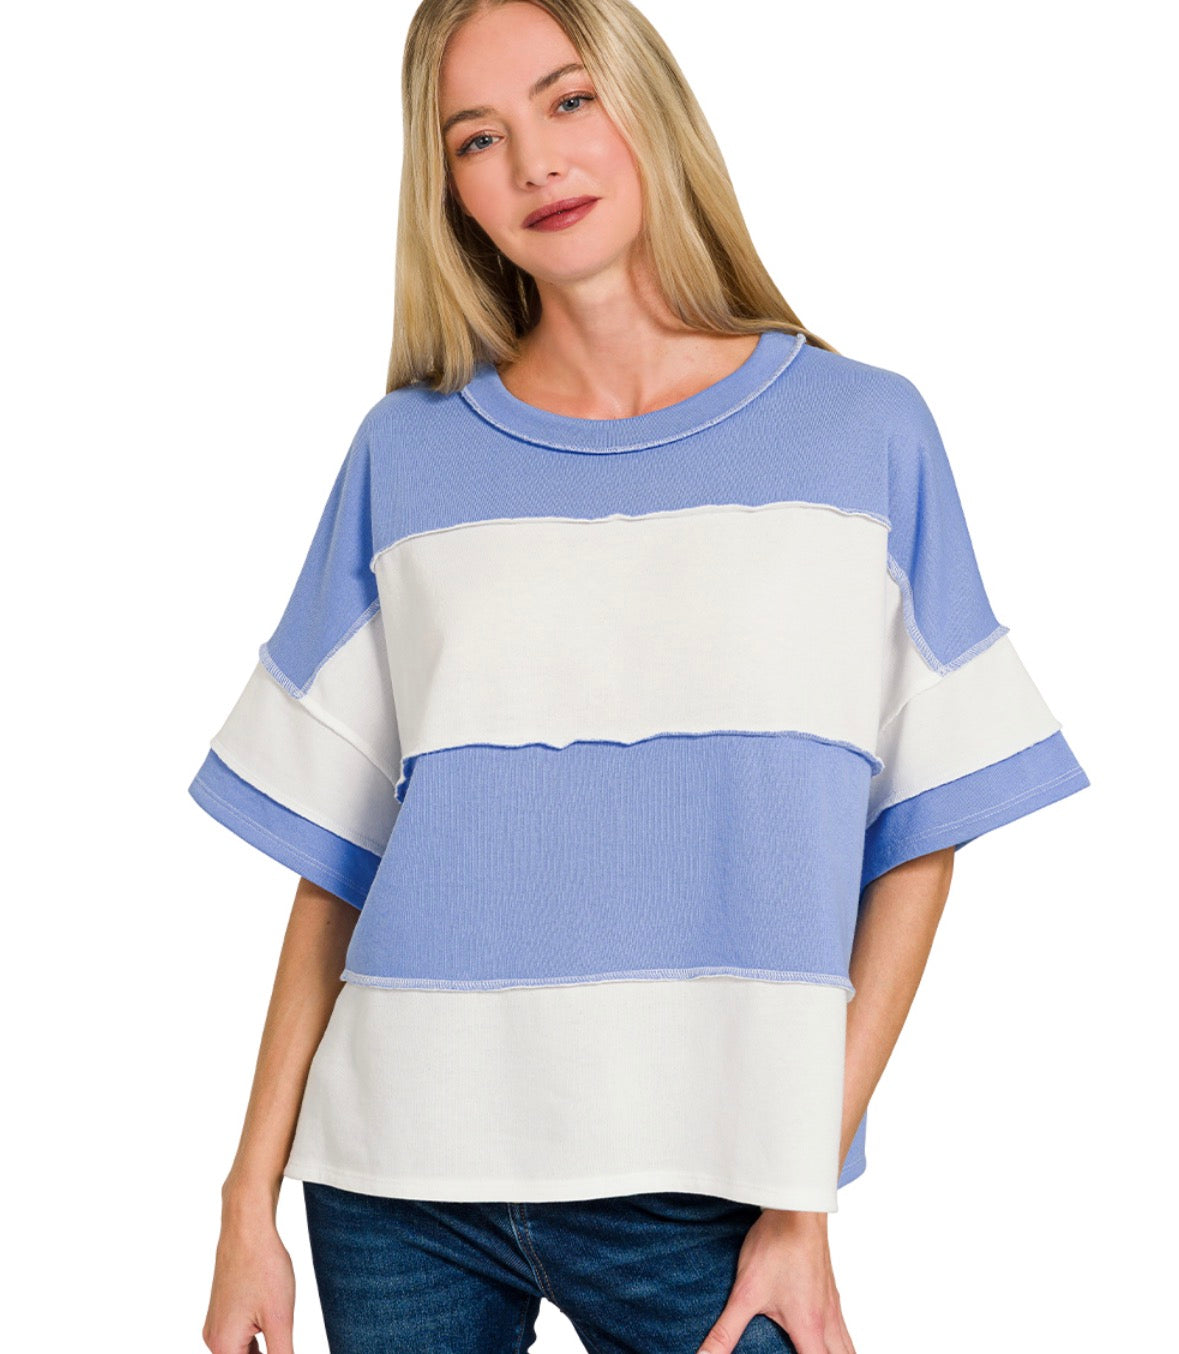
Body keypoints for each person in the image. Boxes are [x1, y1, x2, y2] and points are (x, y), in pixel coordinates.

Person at [190, 2, 1091, 1352]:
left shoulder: (861, 432)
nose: (535, 163)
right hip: (397, 1177)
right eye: (477, 138)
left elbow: (922, 834)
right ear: (449, 190)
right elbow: (341, 858)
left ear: (644, 101)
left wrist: (799, 1202)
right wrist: (245, 1198)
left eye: (568, 100)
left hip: (707, 1188)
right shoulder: (406, 454)